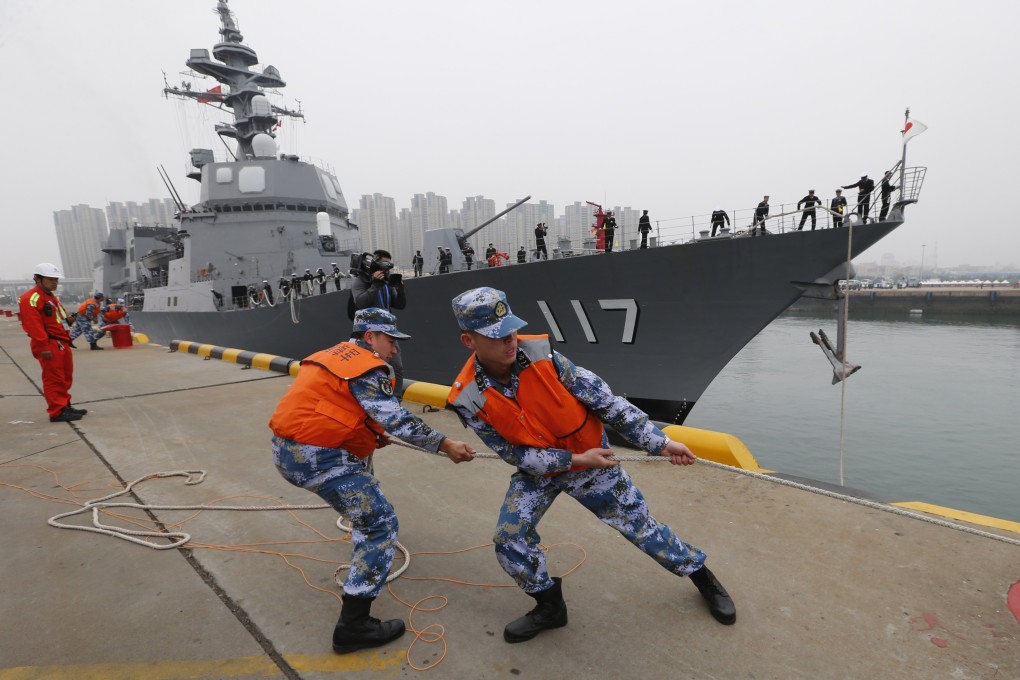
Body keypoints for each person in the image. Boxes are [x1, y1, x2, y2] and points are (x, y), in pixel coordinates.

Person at [446, 287, 736, 644]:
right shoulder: (466, 396)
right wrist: (571, 461)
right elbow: (512, 453)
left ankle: (701, 576)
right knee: (509, 538)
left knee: (641, 527)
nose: (510, 341)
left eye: (512, 330)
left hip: (593, 462)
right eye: (497, 336)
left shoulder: (546, 359)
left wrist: (660, 443)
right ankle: (549, 606)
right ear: (468, 340)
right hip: (540, 469)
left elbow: (608, 403)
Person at [269, 308, 476, 654]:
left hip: (286, 451)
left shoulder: (329, 356)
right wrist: (445, 444)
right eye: (390, 340)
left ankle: (361, 530)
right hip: (318, 459)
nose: (394, 349)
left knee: (367, 496)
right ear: (370, 338)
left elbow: (332, 405)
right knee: (380, 525)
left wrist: (370, 435)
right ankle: (353, 626)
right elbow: (397, 419)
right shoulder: (369, 367)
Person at [19, 263, 87, 423]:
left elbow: (57, 320)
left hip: (61, 342)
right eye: (50, 279)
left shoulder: (52, 298)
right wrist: (43, 346)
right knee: (53, 378)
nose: (54, 283)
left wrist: (68, 322)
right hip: (48, 343)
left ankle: (64, 405)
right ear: (37, 279)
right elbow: (33, 325)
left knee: (65, 377)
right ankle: (56, 411)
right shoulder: (30, 299)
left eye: (56, 279)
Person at [352, 249, 407, 393]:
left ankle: (395, 402)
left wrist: (400, 289)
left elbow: (400, 305)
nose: (387, 268)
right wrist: (374, 285)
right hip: (369, 334)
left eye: (389, 264)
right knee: (368, 369)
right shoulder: (361, 281)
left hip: (388, 331)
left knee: (396, 369)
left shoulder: (387, 282)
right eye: (385, 263)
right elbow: (360, 303)